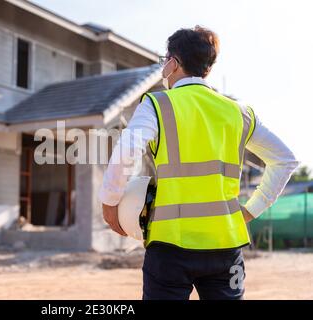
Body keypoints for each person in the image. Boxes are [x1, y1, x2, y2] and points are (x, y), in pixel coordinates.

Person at [99, 26, 300, 300]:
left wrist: (110, 204)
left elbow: (126, 151)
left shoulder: (158, 104)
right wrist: (252, 210)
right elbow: (286, 160)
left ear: (173, 63)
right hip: (225, 246)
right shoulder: (238, 112)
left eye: (164, 60)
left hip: (170, 246)